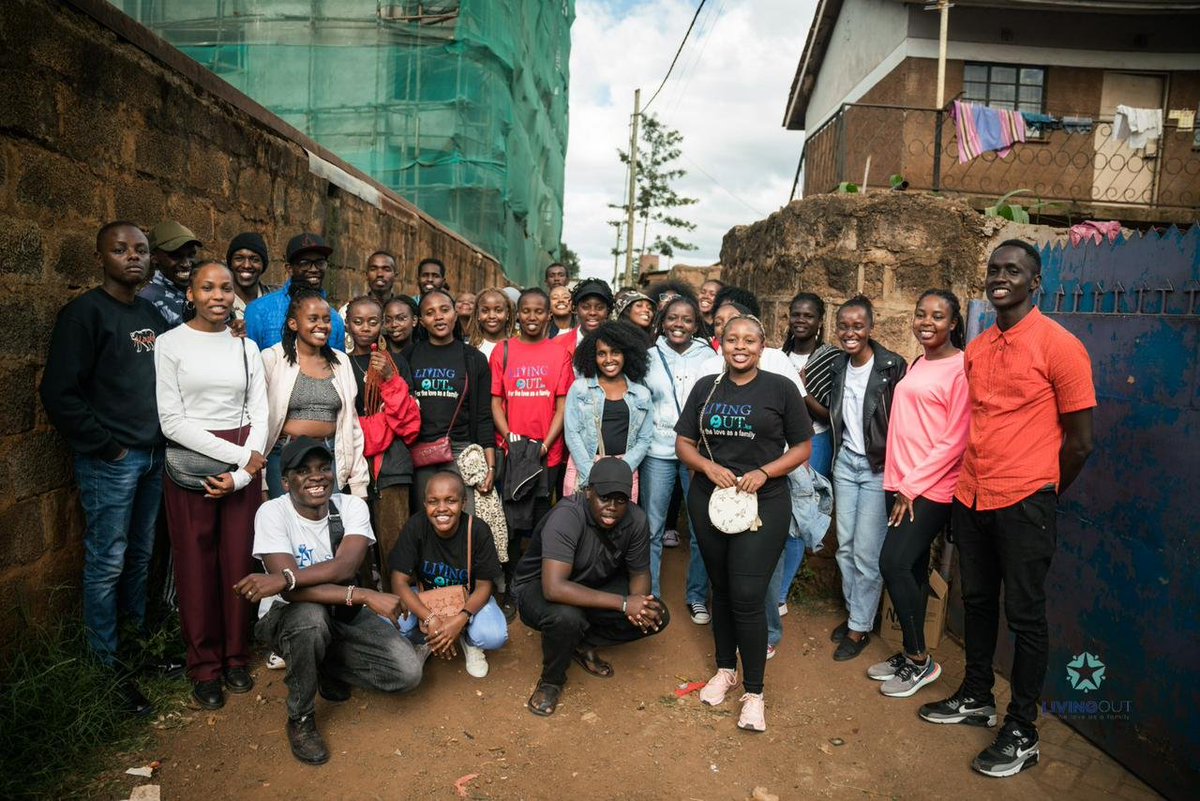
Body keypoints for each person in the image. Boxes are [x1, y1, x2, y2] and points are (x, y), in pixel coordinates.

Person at [919, 241, 1095, 779]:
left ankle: (1022, 730)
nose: (1001, 277)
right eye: (994, 269)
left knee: (1025, 617)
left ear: (1035, 282)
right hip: (972, 496)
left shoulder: (1060, 346)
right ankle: (976, 695)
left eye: (1012, 270)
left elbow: (1081, 441)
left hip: (1025, 501)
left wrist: (1043, 492)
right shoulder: (978, 346)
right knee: (976, 601)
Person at [39, 221, 168, 715]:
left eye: (140, 250)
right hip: (112, 461)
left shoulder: (151, 314)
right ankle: (104, 664)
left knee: (139, 556)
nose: (132, 257)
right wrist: (107, 448)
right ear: (100, 258)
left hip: (153, 456)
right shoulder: (84, 314)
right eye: (120, 250)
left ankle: (135, 647)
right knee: (107, 560)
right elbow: (59, 392)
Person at [234, 438, 425, 766]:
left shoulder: (350, 507)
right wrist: (363, 594)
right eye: (303, 470)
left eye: (324, 468)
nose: (317, 476)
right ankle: (301, 717)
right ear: (285, 482)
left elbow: (345, 566)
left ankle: (321, 663)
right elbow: (293, 595)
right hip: (289, 615)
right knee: (310, 618)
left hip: (343, 611)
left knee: (407, 673)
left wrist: (283, 578)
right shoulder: (271, 512)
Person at [675, 314, 813, 732]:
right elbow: (683, 441)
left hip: (763, 502)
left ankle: (755, 692)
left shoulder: (781, 388)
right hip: (709, 499)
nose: (740, 346)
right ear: (720, 343)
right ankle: (724, 670)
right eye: (732, 339)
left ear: (762, 345)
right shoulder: (706, 388)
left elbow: (804, 445)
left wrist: (767, 471)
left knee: (748, 595)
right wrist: (703, 465)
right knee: (721, 589)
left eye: (749, 340)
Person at [155, 260, 269, 710]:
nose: (219, 296)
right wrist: (240, 458)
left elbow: (258, 413)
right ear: (191, 294)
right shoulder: (169, 344)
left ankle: (236, 657)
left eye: (225, 289)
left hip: (241, 464)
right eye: (208, 287)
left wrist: (242, 475)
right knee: (195, 567)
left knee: (238, 561)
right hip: (191, 464)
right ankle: (204, 667)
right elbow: (171, 421)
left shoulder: (247, 348)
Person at [868, 290, 970, 698]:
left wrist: (911, 486)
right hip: (899, 482)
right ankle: (912, 653)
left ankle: (919, 660)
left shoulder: (961, 367)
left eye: (938, 316)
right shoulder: (919, 362)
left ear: (953, 323)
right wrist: (896, 481)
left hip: (929, 488)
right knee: (908, 569)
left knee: (891, 563)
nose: (926, 322)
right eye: (920, 314)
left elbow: (955, 439)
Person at [512, 458, 669, 716]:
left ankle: (579, 643)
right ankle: (552, 681)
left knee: (656, 614)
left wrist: (638, 605)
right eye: (604, 498)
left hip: (592, 583)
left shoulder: (636, 520)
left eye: (620, 500)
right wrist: (623, 604)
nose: (612, 507)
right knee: (565, 617)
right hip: (538, 589)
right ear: (588, 492)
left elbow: (640, 574)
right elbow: (554, 588)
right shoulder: (567, 516)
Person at [828, 296, 907, 661]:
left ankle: (859, 627)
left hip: (877, 469)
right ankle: (857, 613)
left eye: (858, 326)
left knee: (866, 552)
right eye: (844, 325)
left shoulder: (892, 366)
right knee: (844, 546)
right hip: (845, 464)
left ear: (871, 327)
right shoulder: (838, 366)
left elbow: (904, 423)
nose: (850, 332)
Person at [490, 288, 574, 581]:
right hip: (512, 451)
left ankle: (535, 579)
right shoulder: (503, 350)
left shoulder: (560, 352)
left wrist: (545, 444)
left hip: (545, 453)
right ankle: (511, 580)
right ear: (517, 315)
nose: (532, 317)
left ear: (549, 315)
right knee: (510, 518)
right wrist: (510, 437)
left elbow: (562, 405)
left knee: (541, 518)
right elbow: (495, 401)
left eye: (539, 311)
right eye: (526, 310)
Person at [391, 472, 508, 678]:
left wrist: (460, 619)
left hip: (469, 599)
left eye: (451, 501)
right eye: (433, 501)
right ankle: (430, 640)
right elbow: (398, 581)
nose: (442, 509)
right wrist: (431, 619)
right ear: (425, 503)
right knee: (393, 624)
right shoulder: (416, 526)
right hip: (427, 600)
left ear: (463, 503)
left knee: (493, 635)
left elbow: (484, 586)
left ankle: (470, 642)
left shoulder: (478, 530)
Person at [640, 296, 713, 618]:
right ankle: (652, 595)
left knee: (700, 527)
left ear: (696, 324)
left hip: (697, 451)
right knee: (652, 526)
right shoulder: (649, 356)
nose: (678, 325)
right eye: (672, 318)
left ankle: (697, 594)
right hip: (657, 449)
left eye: (686, 319)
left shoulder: (709, 356)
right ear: (662, 321)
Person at [261, 288, 369, 499]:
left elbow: (352, 424)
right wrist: (261, 481)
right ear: (294, 324)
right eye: (313, 319)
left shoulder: (340, 362)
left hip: (328, 456)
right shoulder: (273, 359)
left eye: (326, 319)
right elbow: (259, 419)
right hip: (284, 457)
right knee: (286, 525)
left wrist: (358, 484)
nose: (322, 325)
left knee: (328, 525)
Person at [345, 296, 419, 590]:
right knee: (357, 541)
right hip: (354, 464)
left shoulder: (397, 362)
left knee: (394, 539)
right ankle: (365, 606)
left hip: (393, 462)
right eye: (358, 321)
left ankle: (399, 606)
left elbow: (408, 422)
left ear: (383, 325)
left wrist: (389, 378)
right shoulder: (340, 362)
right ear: (348, 325)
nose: (366, 328)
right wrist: (373, 425)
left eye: (373, 321)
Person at [777, 292, 840, 616]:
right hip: (781, 444)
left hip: (815, 442)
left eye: (808, 316)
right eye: (796, 315)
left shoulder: (830, 359)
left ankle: (781, 592)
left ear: (819, 321)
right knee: (777, 515)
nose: (801, 321)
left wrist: (801, 390)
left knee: (801, 517)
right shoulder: (777, 356)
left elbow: (830, 414)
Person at [407, 289, 497, 509]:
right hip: (419, 453)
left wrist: (490, 467)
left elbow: (484, 416)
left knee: (464, 517)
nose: (438, 316)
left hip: (460, 452)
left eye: (444, 310)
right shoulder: (408, 356)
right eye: (430, 313)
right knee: (426, 520)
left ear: (455, 314)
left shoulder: (474, 359)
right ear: (421, 322)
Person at [564, 322, 654, 495]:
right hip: (583, 469)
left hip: (624, 469)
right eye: (601, 354)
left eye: (615, 352)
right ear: (592, 356)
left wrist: (621, 470)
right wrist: (590, 472)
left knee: (620, 520)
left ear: (627, 354)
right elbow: (571, 433)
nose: (608, 359)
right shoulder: (580, 388)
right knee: (580, 520)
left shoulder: (642, 394)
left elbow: (644, 439)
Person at [244, 232, 347, 352]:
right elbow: (250, 363)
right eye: (305, 263)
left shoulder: (335, 320)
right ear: (290, 269)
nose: (314, 269)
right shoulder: (259, 311)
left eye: (320, 263)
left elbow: (338, 366)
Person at [138, 220, 201, 328]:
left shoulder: (200, 291)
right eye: (176, 256)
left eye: (191, 255)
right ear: (154, 258)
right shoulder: (148, 301)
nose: (186, 264)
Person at [557, 278, 614, 362]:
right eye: (585, 307)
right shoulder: (558, 344)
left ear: (608, 311)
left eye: (600, 307)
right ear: (575, 309)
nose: (592, 312)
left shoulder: (619, 344)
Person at [337, 251, 398, 325]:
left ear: (395, 276)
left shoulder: (404, 311)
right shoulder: (348, 311)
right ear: (366, 275)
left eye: (386, 269)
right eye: (373, 269)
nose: (379, 274)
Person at [226, 232, 276, 316]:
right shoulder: (220, 301)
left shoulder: (276, 299)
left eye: (255, 259)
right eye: (239, 258)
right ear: (230, 263)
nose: (246, 265)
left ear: (263, 265)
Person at [467, 287, 515, 361]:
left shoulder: (517, 346)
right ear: (478, 314)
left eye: (498, 311)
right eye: (485, 311)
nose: (491, 316)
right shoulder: (469, 348)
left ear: (507, 314)